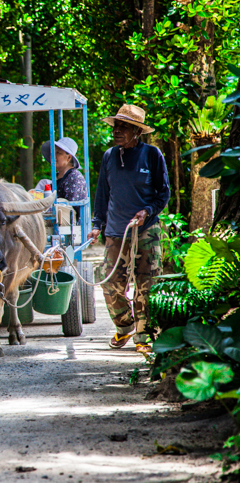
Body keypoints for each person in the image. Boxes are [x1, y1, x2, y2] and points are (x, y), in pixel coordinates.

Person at [87, 104, 170, 355]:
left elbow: (163, 194)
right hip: (115, 232)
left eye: (124, 127)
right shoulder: (109, 156)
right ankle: (125, 326)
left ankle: (144, 334)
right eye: (116, 126)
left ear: (137, 132)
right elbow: (103, 193)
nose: (117, 131)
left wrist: (147, 211)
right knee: (109, 281)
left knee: (147, 284)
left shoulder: (152, 155)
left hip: (146, 231)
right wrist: (96, 226)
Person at [38, 137, 87, 221]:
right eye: (53, 152)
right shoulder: (56, 177)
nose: (53, 155)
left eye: (58, 153)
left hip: (69, 221)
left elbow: (70, 207)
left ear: (68, 158)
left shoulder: (74, 176)